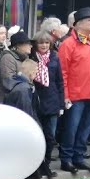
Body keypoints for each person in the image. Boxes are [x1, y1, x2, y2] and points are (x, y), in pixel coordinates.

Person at [57, 7, 90, 174]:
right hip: (76, 95)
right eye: (89, 20)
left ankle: (79, 156)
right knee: (71, 128)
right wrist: (66, 95)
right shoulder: (68, 44)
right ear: (77, 24)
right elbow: (63, 72)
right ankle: (67, 158)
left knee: (85, 128)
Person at [31, 32, 65, 166]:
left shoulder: (55, 58)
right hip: (37, 101)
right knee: (37, 135)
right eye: (41, 43)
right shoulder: (31, 58)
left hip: (52, 101)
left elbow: (60, 82)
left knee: (50, 136)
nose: (44, 45)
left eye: (47, 43)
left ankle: (47, 163)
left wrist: (61, 104)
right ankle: (36, 163)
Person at [0, 31, 33, 97]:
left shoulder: (25, 59)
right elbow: (8, 81)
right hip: (9, 101)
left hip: (23, 97)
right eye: (28, 43)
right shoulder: (8, 58)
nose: (31, 46)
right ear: (18, 45)